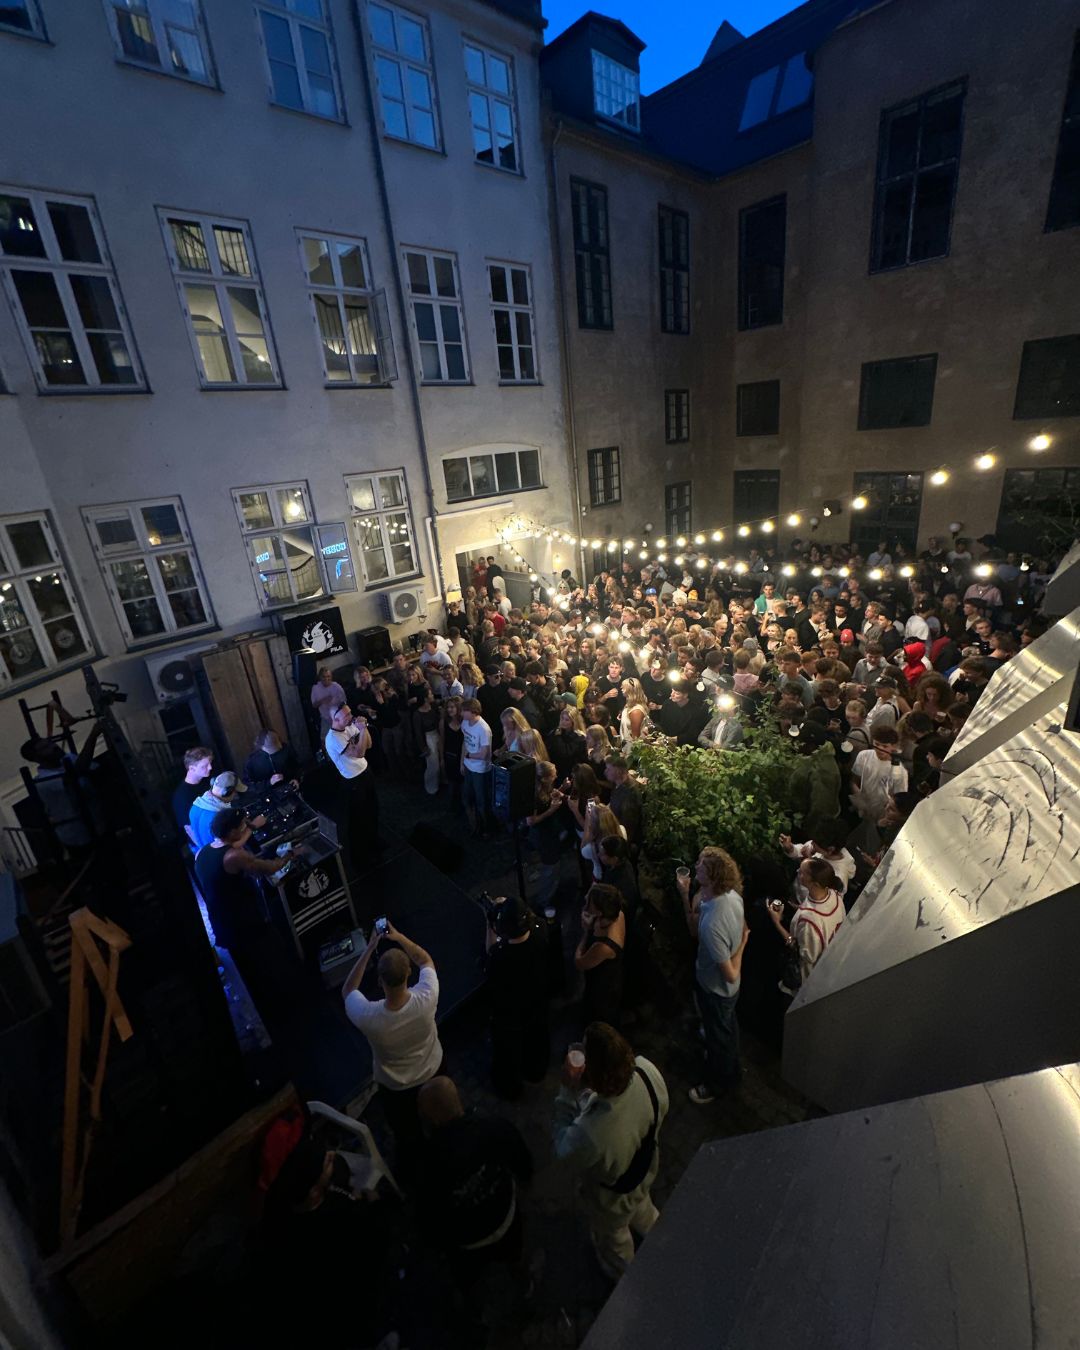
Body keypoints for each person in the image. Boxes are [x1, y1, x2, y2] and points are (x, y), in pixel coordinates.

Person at [552, 1022, 668, 1282]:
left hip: (611, 1202)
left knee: (616, 1240)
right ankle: (662, 1241)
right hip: (644, 1176)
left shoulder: (590, 1133)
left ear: (594, 1076)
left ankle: (627, 1276)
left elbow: (562, 1151)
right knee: (645, 1210)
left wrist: (567, 1092)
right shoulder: (647, 1072)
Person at [416, 1077, 533, 1295]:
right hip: (505, 1218)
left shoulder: (428, 1164)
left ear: (431, 1119)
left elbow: (428, 1218)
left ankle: (472, 1305)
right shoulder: (494, 1127)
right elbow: (523, 1163)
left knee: (468, 1277)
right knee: (515, 1255)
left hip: (467, 1240)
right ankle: (523, 1283)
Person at [342, 920, 442, 1175]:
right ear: (408, 973)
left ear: (380, 981)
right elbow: (425, 960)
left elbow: (348, 989)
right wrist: (398, 937)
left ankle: (413, 1169)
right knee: (441, 1120)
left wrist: (369, 948)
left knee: (406, 1133)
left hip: (396, 1088)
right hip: (433, 1071)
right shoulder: (427, 997)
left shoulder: (368, 1016)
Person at [193, 808, 304, 1026]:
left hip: (223, 923)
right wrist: (291, 855)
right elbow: (269, 868)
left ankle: (270, 1010)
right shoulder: (235, 856)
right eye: (242, 826)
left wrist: (251, 828)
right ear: (232, 831)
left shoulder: (203, 853)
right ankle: (289, 1010)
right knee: (271, 961)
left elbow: (233, 845)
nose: (245, 828)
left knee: (251, 969)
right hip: (245, 922)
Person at [678, 846, 748, 1105]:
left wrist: (742, 946)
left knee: (719, 1039)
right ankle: (730, 1061)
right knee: (726, 1029)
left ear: (713, 877)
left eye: (702, 866)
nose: (696, 866)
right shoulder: (732, 896)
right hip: (726, 992)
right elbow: (743, 926)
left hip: (717, 990)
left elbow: (730, 973)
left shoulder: (712, 925)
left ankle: (718, 1084)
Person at [484, 896, 550, 1099]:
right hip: (537, 1004)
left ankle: (511, 1087)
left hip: (511, 1014)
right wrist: (512, 907)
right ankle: (536, 1071)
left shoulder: (500, 955)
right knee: (536, 1040)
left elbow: (490, 950)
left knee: (509, 1051)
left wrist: (490, 922)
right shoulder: (541, 931)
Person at [768, 858, 846, 993]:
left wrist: (777, 922)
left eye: (802, 872)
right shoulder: (835, 896)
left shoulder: (809, 920)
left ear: (815, 883)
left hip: (808, 981)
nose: (798, 872)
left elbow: (803, 953)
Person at [325, 703, 380, 864]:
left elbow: (368, 744)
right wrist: (362, 730)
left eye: (350, 713)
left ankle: (374, 843)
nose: (351, 717)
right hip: (353, 781)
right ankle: (361, 857)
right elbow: (359, 752)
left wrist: (363, 729)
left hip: (365, 772)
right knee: (359, 818)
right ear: (335, 719)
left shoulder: (349, 727)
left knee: (373, 809)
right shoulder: (333, 738)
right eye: (346, 715)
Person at [575, 884, 625, 1029]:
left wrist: (585, 932)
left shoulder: (603, 947)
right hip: (611, 979)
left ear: (599, 911)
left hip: (602, 989)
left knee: (598, 1020)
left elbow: (579, 962)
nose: (585, 898)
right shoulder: (618, 914)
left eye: (589, 901)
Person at [189, 771, 258, 851]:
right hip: (222, 857)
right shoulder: (218, 818)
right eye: (235, 792)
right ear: (227, 792)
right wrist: (253, 826)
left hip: (206, 853)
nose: (235, 795)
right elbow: (231, 846)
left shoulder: (195, 807)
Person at [850, 725, 908, 821]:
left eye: (885, 746)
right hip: (863, 809)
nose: (879, 749)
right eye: (876, 744)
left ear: (894, 746)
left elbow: (898, 800)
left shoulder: (900, 772)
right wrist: (860, 800)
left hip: (882, 814)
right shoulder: (863, 756)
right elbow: (854, 780)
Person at [460, 698, 494, 837]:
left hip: (480, 770)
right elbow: (465, 742)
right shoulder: (465, 723)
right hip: (469, 766)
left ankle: (486, 829)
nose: (461, 713)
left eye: (464, 711)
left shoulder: (483, 729)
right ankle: (474, 824)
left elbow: (484, 755)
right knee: (467, 796)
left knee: (482, 801)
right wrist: (462, 762)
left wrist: (468, 756)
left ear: (473, 712)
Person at [603, 755, 643, 854]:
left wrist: (621, 849)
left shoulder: (629, 794)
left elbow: (628, 826)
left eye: (608, 769)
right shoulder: (618, 783)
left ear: (618, 771)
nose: (605, 771)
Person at [172, 745, 213, 834]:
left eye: (210, 763)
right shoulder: (182, 796)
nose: (210, 767)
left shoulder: (206, 781)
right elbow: (189, 829)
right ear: (191, 768)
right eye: (204, 766)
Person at [310, 666, 345, 739]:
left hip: (338, 717)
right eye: (324, 676)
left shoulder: (337, 687)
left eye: (328, 676)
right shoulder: (315, 688)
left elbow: (344, 702)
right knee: (324, 740)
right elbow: (314, 705)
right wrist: (322, 701)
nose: (326, 679)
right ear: (320, 677)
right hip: (325, 718)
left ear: (331, 677)